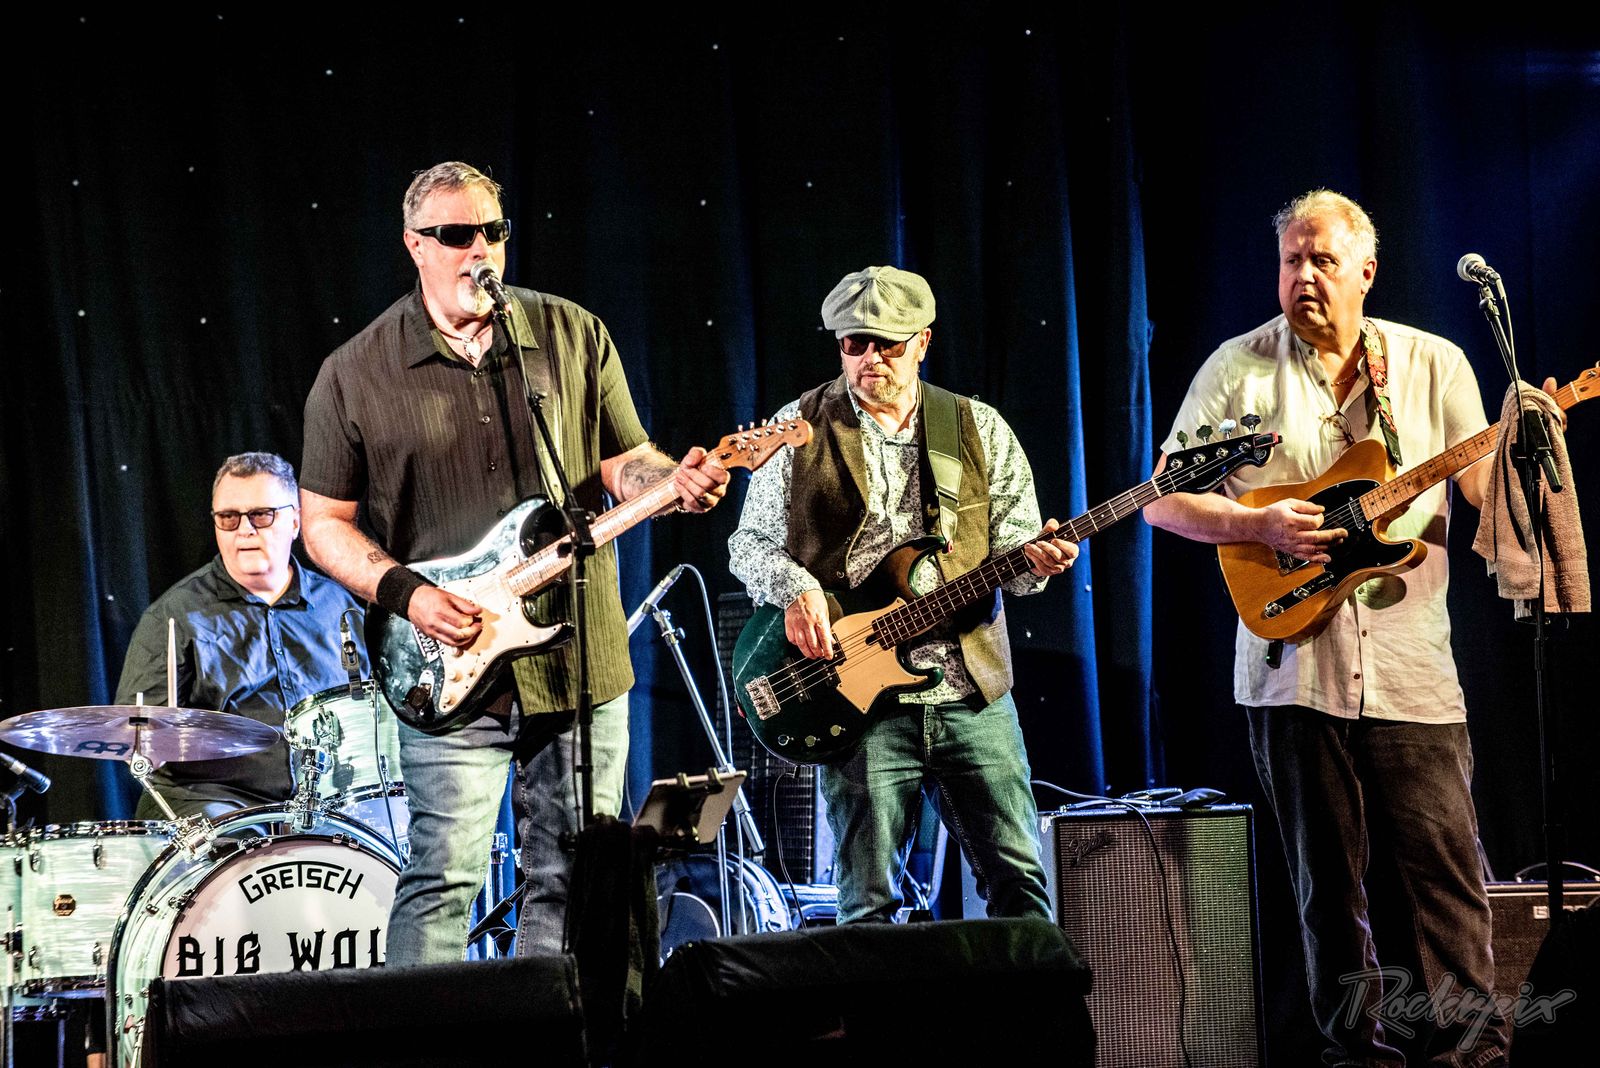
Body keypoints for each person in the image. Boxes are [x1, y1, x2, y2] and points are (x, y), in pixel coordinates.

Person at [299, 161, 727, 965]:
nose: (480, 251)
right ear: (415, 245)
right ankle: (423, 1033)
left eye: (493, 232)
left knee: (575, 878)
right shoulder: (354, 373)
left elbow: (624, 461)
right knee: (444, 880)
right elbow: (322, 525)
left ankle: (550, 1027)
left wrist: (671, 483)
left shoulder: (571, 333)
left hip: (579, 660)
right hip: (449, 663)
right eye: (457, 235)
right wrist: (409, 596)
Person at [1143, 189, 1521, 1066]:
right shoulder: (1237, 368)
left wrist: (1525, 447)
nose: (1304, 276)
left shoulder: (1431, 363)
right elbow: (1163, 500)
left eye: (1323, 260)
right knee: (1325, 892)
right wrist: (1258, 526)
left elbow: (1480, 493)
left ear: (1366, 272)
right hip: (1291, 667)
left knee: (1448, 880)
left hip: (1412, 668)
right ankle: (1355, 1055)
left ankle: (1477, 1054)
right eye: (1292, 260)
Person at [728, 265, 1076, 924]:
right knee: (866, 904)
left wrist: (1041, 562)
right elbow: (747, 545)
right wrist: (797, 589)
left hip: (971, 690)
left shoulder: (978, 427)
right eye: (853, 343)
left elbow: (1017, 563)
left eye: (887, 343)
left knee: (1020, 884)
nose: (870, 358)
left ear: (923, 342)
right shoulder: (798, 425)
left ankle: (1030, 995)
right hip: (858, 695)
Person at [115, 451, 363, 820]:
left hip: (326, 804)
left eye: (261, 515)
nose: (244, 530)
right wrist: (149, 746)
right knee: (234, 840)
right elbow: (136, 734)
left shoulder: (340, 606)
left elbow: (371, 716)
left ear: (295, 521)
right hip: (214, 806)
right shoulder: (171, 616)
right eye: (229, 518)